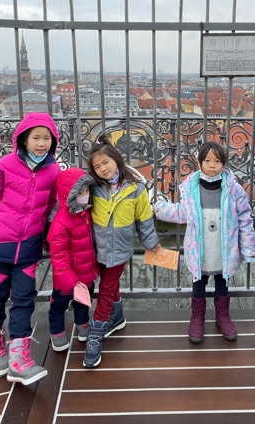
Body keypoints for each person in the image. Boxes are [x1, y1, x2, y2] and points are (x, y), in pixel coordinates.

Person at [0, 112, 60, 385]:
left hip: (28, 246)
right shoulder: (6, 164)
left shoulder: (53, 170)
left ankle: (19, 358)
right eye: (36, 138)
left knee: (24, 298)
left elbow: (50, 205)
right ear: (23, 140)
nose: (41, 143)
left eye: (47, 138)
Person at [154, 141, 255, 343]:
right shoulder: (191, 188)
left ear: (223, 163)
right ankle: (197, 318)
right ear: (200, 162)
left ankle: (223, 316)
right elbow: (182, 212)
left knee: (222, 284)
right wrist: (159, 209)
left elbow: (245, 219)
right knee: (198, 285)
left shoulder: (234, 190)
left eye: (217, 161)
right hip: (199, 250)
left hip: (224, 250)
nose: (212, 165)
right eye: (207, 160)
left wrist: (248, 249)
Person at [84, 133, 161, 368]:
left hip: (120, 249)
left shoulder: (136, 189)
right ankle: (116, 317)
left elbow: (144, 219)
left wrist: (151, 243)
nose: (103, 169)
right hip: (97, 247)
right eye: (97, 167)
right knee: (107, 284)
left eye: (105, 162)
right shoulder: (93, 187)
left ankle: (97, 331)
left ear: (116, 160)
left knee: (106, 288)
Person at [45, 166, 100, 352]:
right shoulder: (61, 222)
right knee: (59, 305)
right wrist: (70, 280)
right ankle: (57, 332)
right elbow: (59, 257)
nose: (84, 195)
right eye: (80, 193)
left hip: (85, 272)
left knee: (83, 302)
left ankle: (82, 324)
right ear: (69, 195)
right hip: (66, 278)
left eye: (86, 191)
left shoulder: (86, 212)